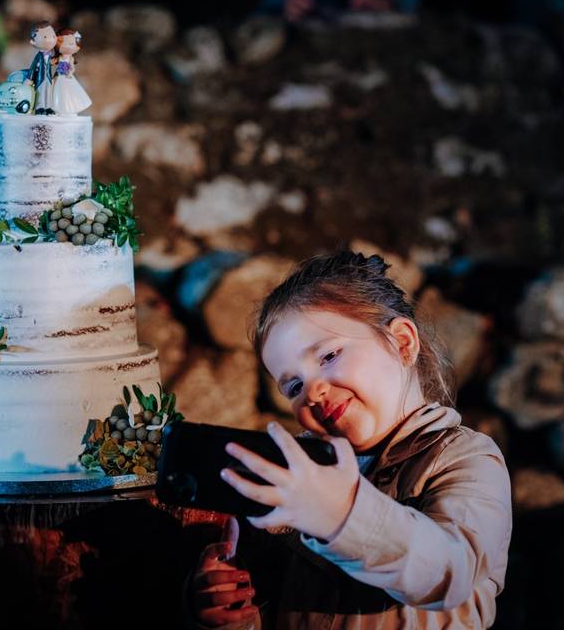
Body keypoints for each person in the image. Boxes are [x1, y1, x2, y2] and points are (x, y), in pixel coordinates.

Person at [187, 251, 512, 628]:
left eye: (328, 356)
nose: (312, 392)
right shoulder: (301, 477)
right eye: (293, 386)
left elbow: (450, 575)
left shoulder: (463, 457)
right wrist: (226, 612)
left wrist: (343, 515)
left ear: (403, 343)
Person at [51, 29, 92, 116]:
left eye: (71, 44)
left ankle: (68, 108)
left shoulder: (70, 58)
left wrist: (70, 72)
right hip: (58, 75)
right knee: (56, 91)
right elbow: (52, 63)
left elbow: (72, 68)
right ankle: (58, 108)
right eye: (63, 42)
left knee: (68, 92)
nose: (68, 46)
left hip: (67, 76)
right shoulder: (60, 57)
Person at [25, 21, 57, 115]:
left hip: (48, 78)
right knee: (41, 93)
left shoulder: (50, 55)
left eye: (53, 35)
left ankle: (48, 107)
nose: (51, 39)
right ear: (33, 41)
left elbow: (50, 63)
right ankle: (40, 107)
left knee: (49, 92)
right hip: (40, 78)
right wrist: (29, 79)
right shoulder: (38, 57)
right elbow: (33, 67)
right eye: (45, 37)